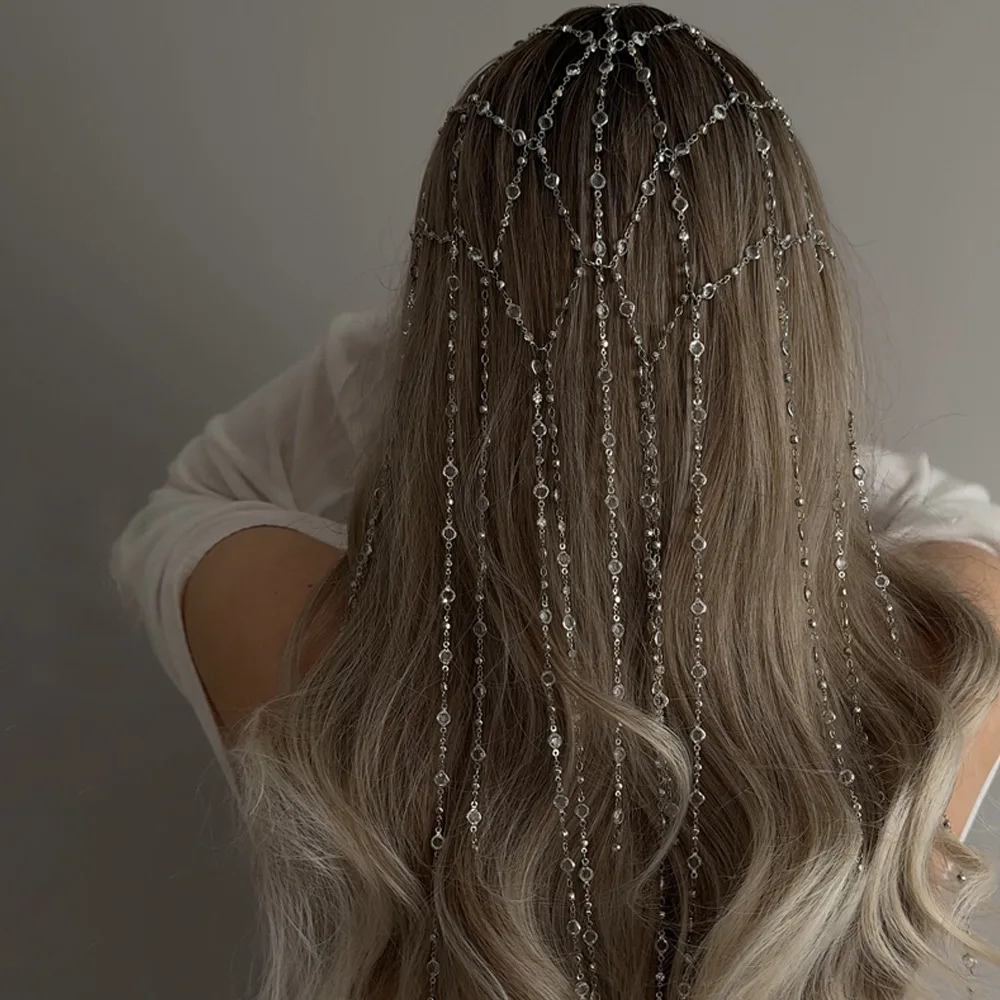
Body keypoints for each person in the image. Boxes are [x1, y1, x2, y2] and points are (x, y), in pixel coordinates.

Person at [109, 6, 1000, 999]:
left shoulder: (312, 650)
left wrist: (466, 350)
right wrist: (730, 407)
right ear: (795, 311)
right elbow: (945, 511)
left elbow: (194, 495)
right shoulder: (935, 662)